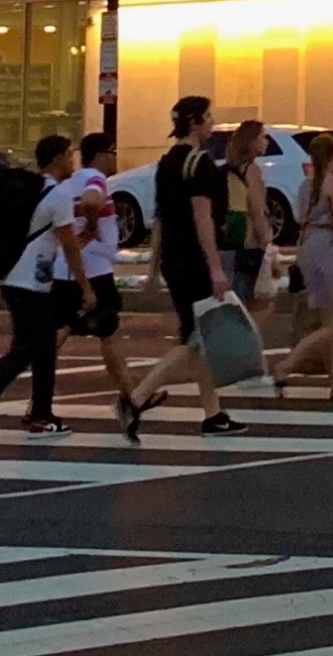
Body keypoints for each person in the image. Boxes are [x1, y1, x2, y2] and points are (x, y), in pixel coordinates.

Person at [121, 94, 241, 439]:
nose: (213, 123)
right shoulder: (199, 163)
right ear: (195, 122)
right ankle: (137, 397)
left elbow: (159, 218)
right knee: (194, 338)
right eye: (209, 117)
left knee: (198, 337)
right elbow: (202, 218)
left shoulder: (167, 162)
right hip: (194, 261)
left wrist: (154, 268)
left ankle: (213, 414)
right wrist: (216, 268)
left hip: (175, 260)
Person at [0, 134, 76, 441]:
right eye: (70, 155)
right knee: (25, 351)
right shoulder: (57, 195)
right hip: (27, 285)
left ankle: (41, 417)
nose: (73, 160)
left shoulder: (32, 190)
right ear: (58, 158)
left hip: (20, 281)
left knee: (43, 347)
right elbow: (70, 245)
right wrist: (86, 287)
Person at [48, 130, 137, 411]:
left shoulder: (71, 181)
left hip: (69, 268)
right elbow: (91, 201)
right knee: (107, 332)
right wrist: (91, 228)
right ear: (100, 155)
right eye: (112, 152)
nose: (115, 159)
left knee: (69, 330)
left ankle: (129, 396)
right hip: (93, 271)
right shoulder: (94, 179)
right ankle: (129, 397)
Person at [269, 132, 333, 403]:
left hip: (307, 250)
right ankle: (286, 366)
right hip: (327, 252)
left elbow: (301, 219)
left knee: (324, 318)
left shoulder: (305, 186)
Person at [221, 119, 276, 305]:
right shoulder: (252, 170)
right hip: (250, 245)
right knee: (257, 305)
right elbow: (257, 211)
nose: (266, 141)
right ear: (251, 141)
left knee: (236, 302)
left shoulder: (232, 169)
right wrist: (270, 250)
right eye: (262, 136)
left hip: (231, 243)